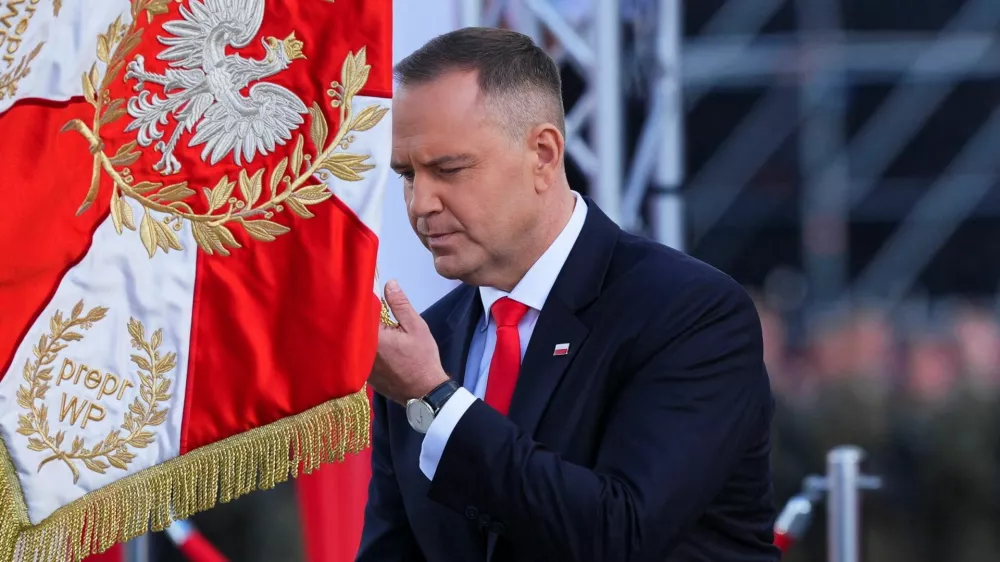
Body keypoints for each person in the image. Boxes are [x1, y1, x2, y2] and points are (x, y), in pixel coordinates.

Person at [359, 27, 779, 562]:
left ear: (543, 153)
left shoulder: (691, 313)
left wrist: (437, 401)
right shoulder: (429, 341)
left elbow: (619, 534)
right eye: (407, 175)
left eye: (449, 169)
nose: (421, 203)